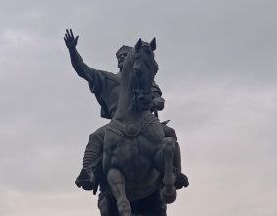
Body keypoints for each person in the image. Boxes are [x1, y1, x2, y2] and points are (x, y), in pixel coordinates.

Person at [63, 30, 188, 192]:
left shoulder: (142, 77)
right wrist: (72, 50)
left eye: (125, 55)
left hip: (145, 121)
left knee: (170, 132)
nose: (122, 57)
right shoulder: (106, 79)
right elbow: (82, 70)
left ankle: (175, 173)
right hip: (118, 124)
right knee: (95, 137)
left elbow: (155, 95)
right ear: (117, 62)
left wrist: (157, 100)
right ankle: (89, 172)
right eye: (119, 56)